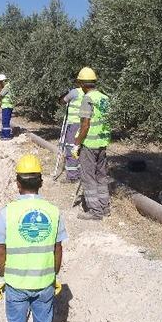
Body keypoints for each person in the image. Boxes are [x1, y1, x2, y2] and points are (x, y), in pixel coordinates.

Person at [0, 154, 66, 322]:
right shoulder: (53, 212)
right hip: (44, 282)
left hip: (16, 283)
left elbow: (0, 249)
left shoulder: (7, 212)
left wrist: (4, 274)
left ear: (18, 183)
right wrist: (52, 275)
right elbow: (58, 248)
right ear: (40, 182)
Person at [71, 67, 111, 220]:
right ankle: (104, 206)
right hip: (102, 143)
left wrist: (76, 143)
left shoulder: (87, 99)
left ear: (82, 83)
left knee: (88, 177)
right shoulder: (104, 98)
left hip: (89, 144)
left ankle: (95, 211)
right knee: (101, 176)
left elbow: (85, 125)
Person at [57, 80, 84, 182]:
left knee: (71, 148)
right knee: (81, 149)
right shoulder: (89, 92)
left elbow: (62, 101)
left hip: (74, 125)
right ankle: (81, 173)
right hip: (85, 124)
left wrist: (66, 93)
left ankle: (72, 176)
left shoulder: (74, 92)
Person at [0, 73, 13, 140]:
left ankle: (7, 136)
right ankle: (4, 134)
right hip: (5, 106)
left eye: (0, 82)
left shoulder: (7, 87)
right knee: (4, 121)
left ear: (3, 81)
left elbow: (1, 94)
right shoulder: (7, 86)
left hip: (7, 106)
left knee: (6, 121)